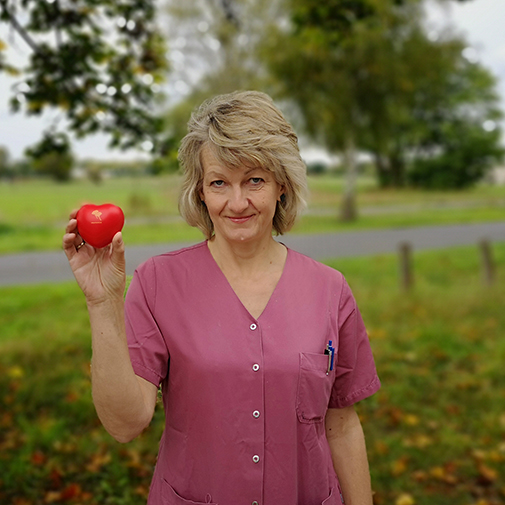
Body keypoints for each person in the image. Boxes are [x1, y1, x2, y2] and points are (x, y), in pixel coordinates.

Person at [63, 90, 380, 505]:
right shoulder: (158, 282)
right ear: (200, 192)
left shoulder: (330, 290)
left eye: (255, 180)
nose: (237, 202)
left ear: (281, 185)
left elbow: (341, 423)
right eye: (219, 183)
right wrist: (102, 302)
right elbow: (125, 425)